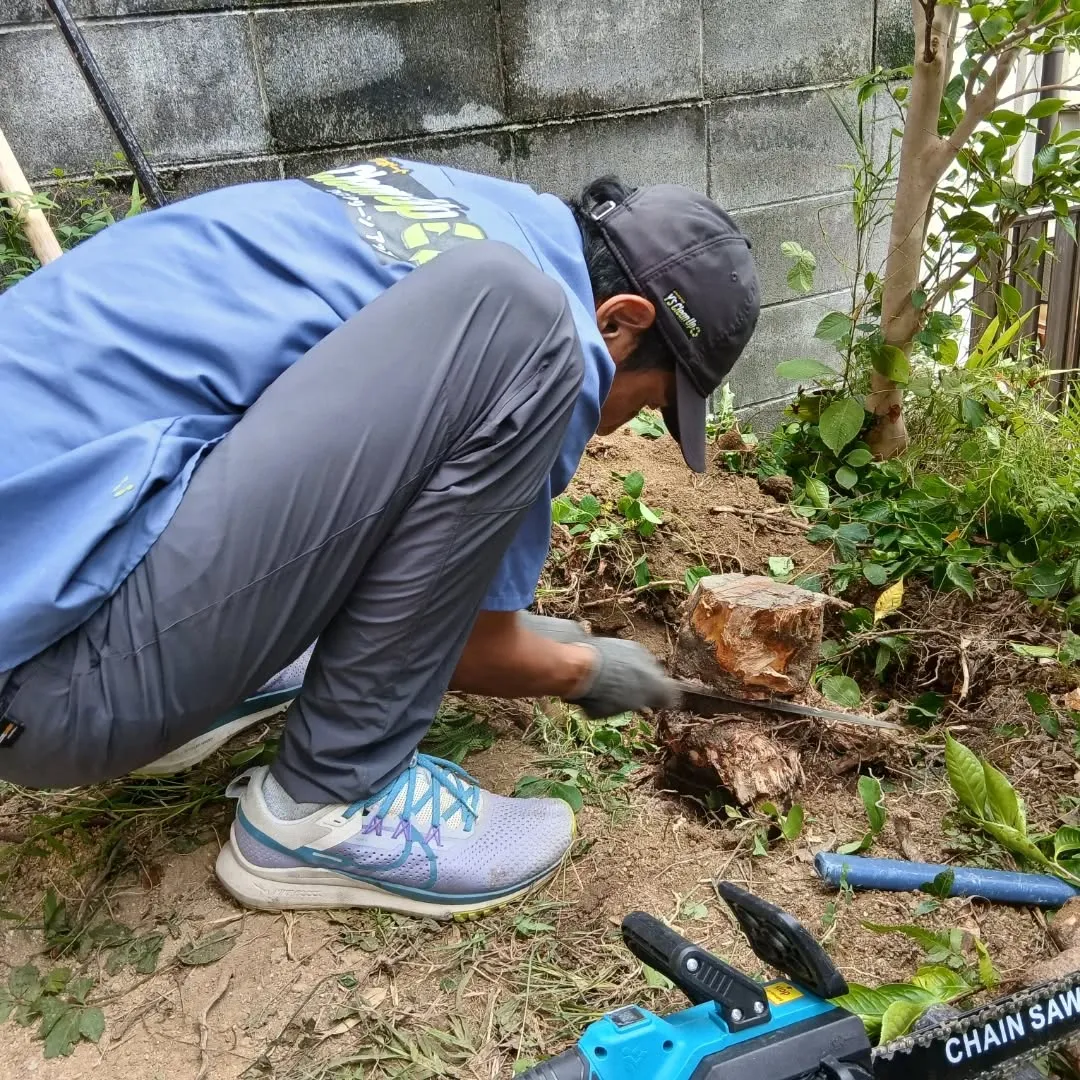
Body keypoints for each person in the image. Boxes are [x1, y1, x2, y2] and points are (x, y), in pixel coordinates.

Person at [0, 158, 760, 917]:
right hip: (54, 675)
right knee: (519, 321)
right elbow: (467, 648)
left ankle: (228, 675)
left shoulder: (445, 202)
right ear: (621, 321)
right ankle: (333, 801)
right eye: (649, 403)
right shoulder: (536, 319)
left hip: (58, 563)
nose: (618, 427)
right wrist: (591, 670)